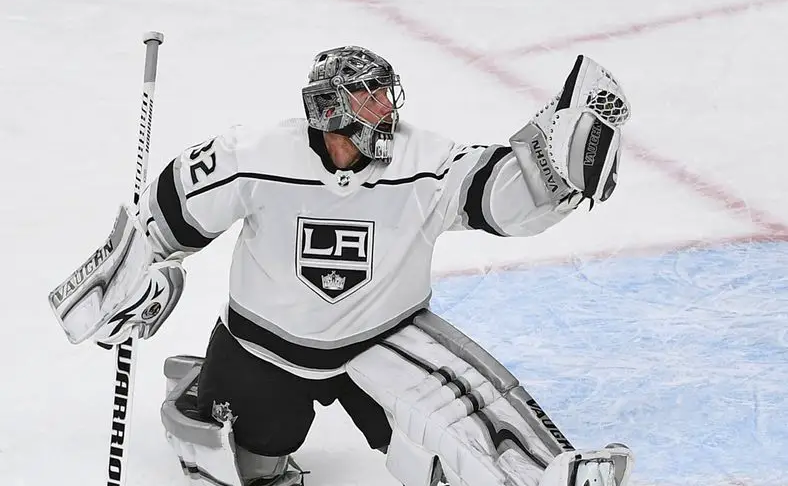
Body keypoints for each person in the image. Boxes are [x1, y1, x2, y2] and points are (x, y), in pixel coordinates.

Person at [55, 46, 632, 486]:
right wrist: (129, 278)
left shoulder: (421, 159)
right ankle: (199, 394)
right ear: (330, 107)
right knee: (244, 466)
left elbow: (491, 195)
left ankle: (549, 473)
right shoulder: (253, 157)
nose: (387, 109)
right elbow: (167, 218)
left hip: (384, 336)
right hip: (264, 346)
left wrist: (550, 172)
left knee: (462, 423)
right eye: (370, 96)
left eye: (387, 94)